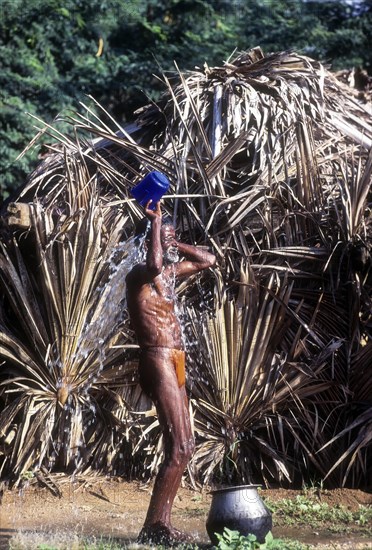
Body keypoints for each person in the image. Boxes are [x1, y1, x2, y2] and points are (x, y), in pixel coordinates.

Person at [126, 200, 216, 545]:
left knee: (186, 445)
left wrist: (176, 242)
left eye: (172, 237)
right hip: (158, 359)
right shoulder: (138, 275)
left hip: (175, 359)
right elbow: (152, 263)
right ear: (149, 238)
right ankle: (155, 527)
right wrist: (157, 223)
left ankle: (158, 523)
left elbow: (208, 260)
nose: (167, 241)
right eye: (163, 237)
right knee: (179, 446)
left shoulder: (168, 273)